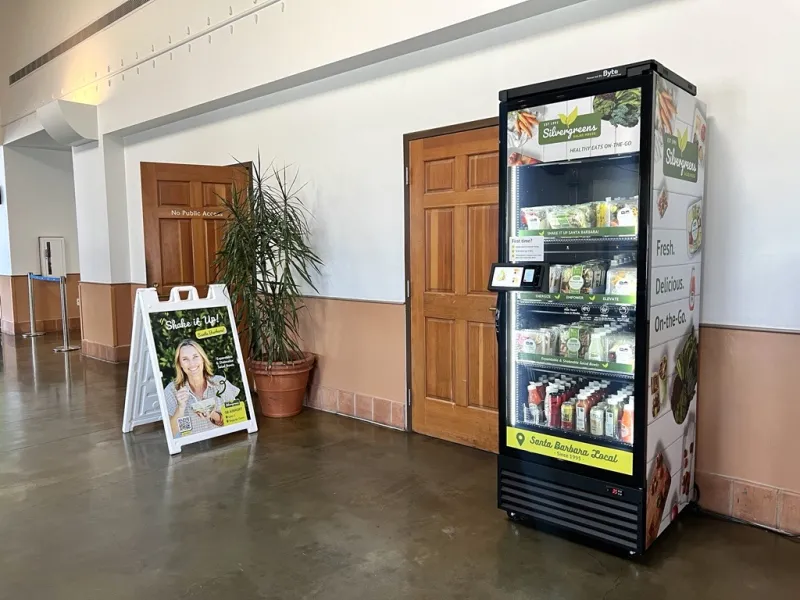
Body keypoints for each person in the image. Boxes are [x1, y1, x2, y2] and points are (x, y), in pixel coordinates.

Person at [163, 339, 241, 438]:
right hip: (192, 448)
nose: (192, 363)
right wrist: (181, 407)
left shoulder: (221, 383)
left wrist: (212, 414)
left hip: (224, 443)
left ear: (202, 359)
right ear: (180, 364)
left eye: (195, 357)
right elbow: (171, 433)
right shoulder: (172, 390)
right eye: (185, 359)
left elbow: (237, 420)